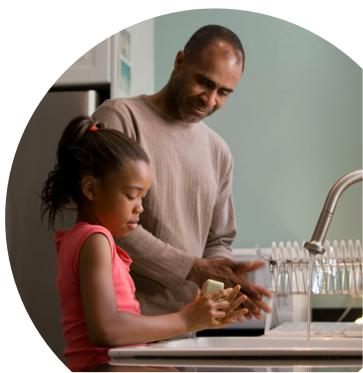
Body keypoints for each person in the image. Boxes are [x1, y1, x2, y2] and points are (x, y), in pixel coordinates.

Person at [92, 25, 272, 323]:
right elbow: (105, 223)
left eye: (223, 92)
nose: (210, 100)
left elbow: (218, 240)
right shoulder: (120, 118)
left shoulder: (218, 151)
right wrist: (194, 268)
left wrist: (222, 274)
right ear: (180, 62)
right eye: (204, 82)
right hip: (123, 325)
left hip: (186, 328)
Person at [40, 115, 248, 369]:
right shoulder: (95, 240)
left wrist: (196, 316)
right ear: (91, 189)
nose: (140, 208)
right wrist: (186, 320)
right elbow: (106, 329)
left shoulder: (80, 238)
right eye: (131, 196)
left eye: (143, 197)